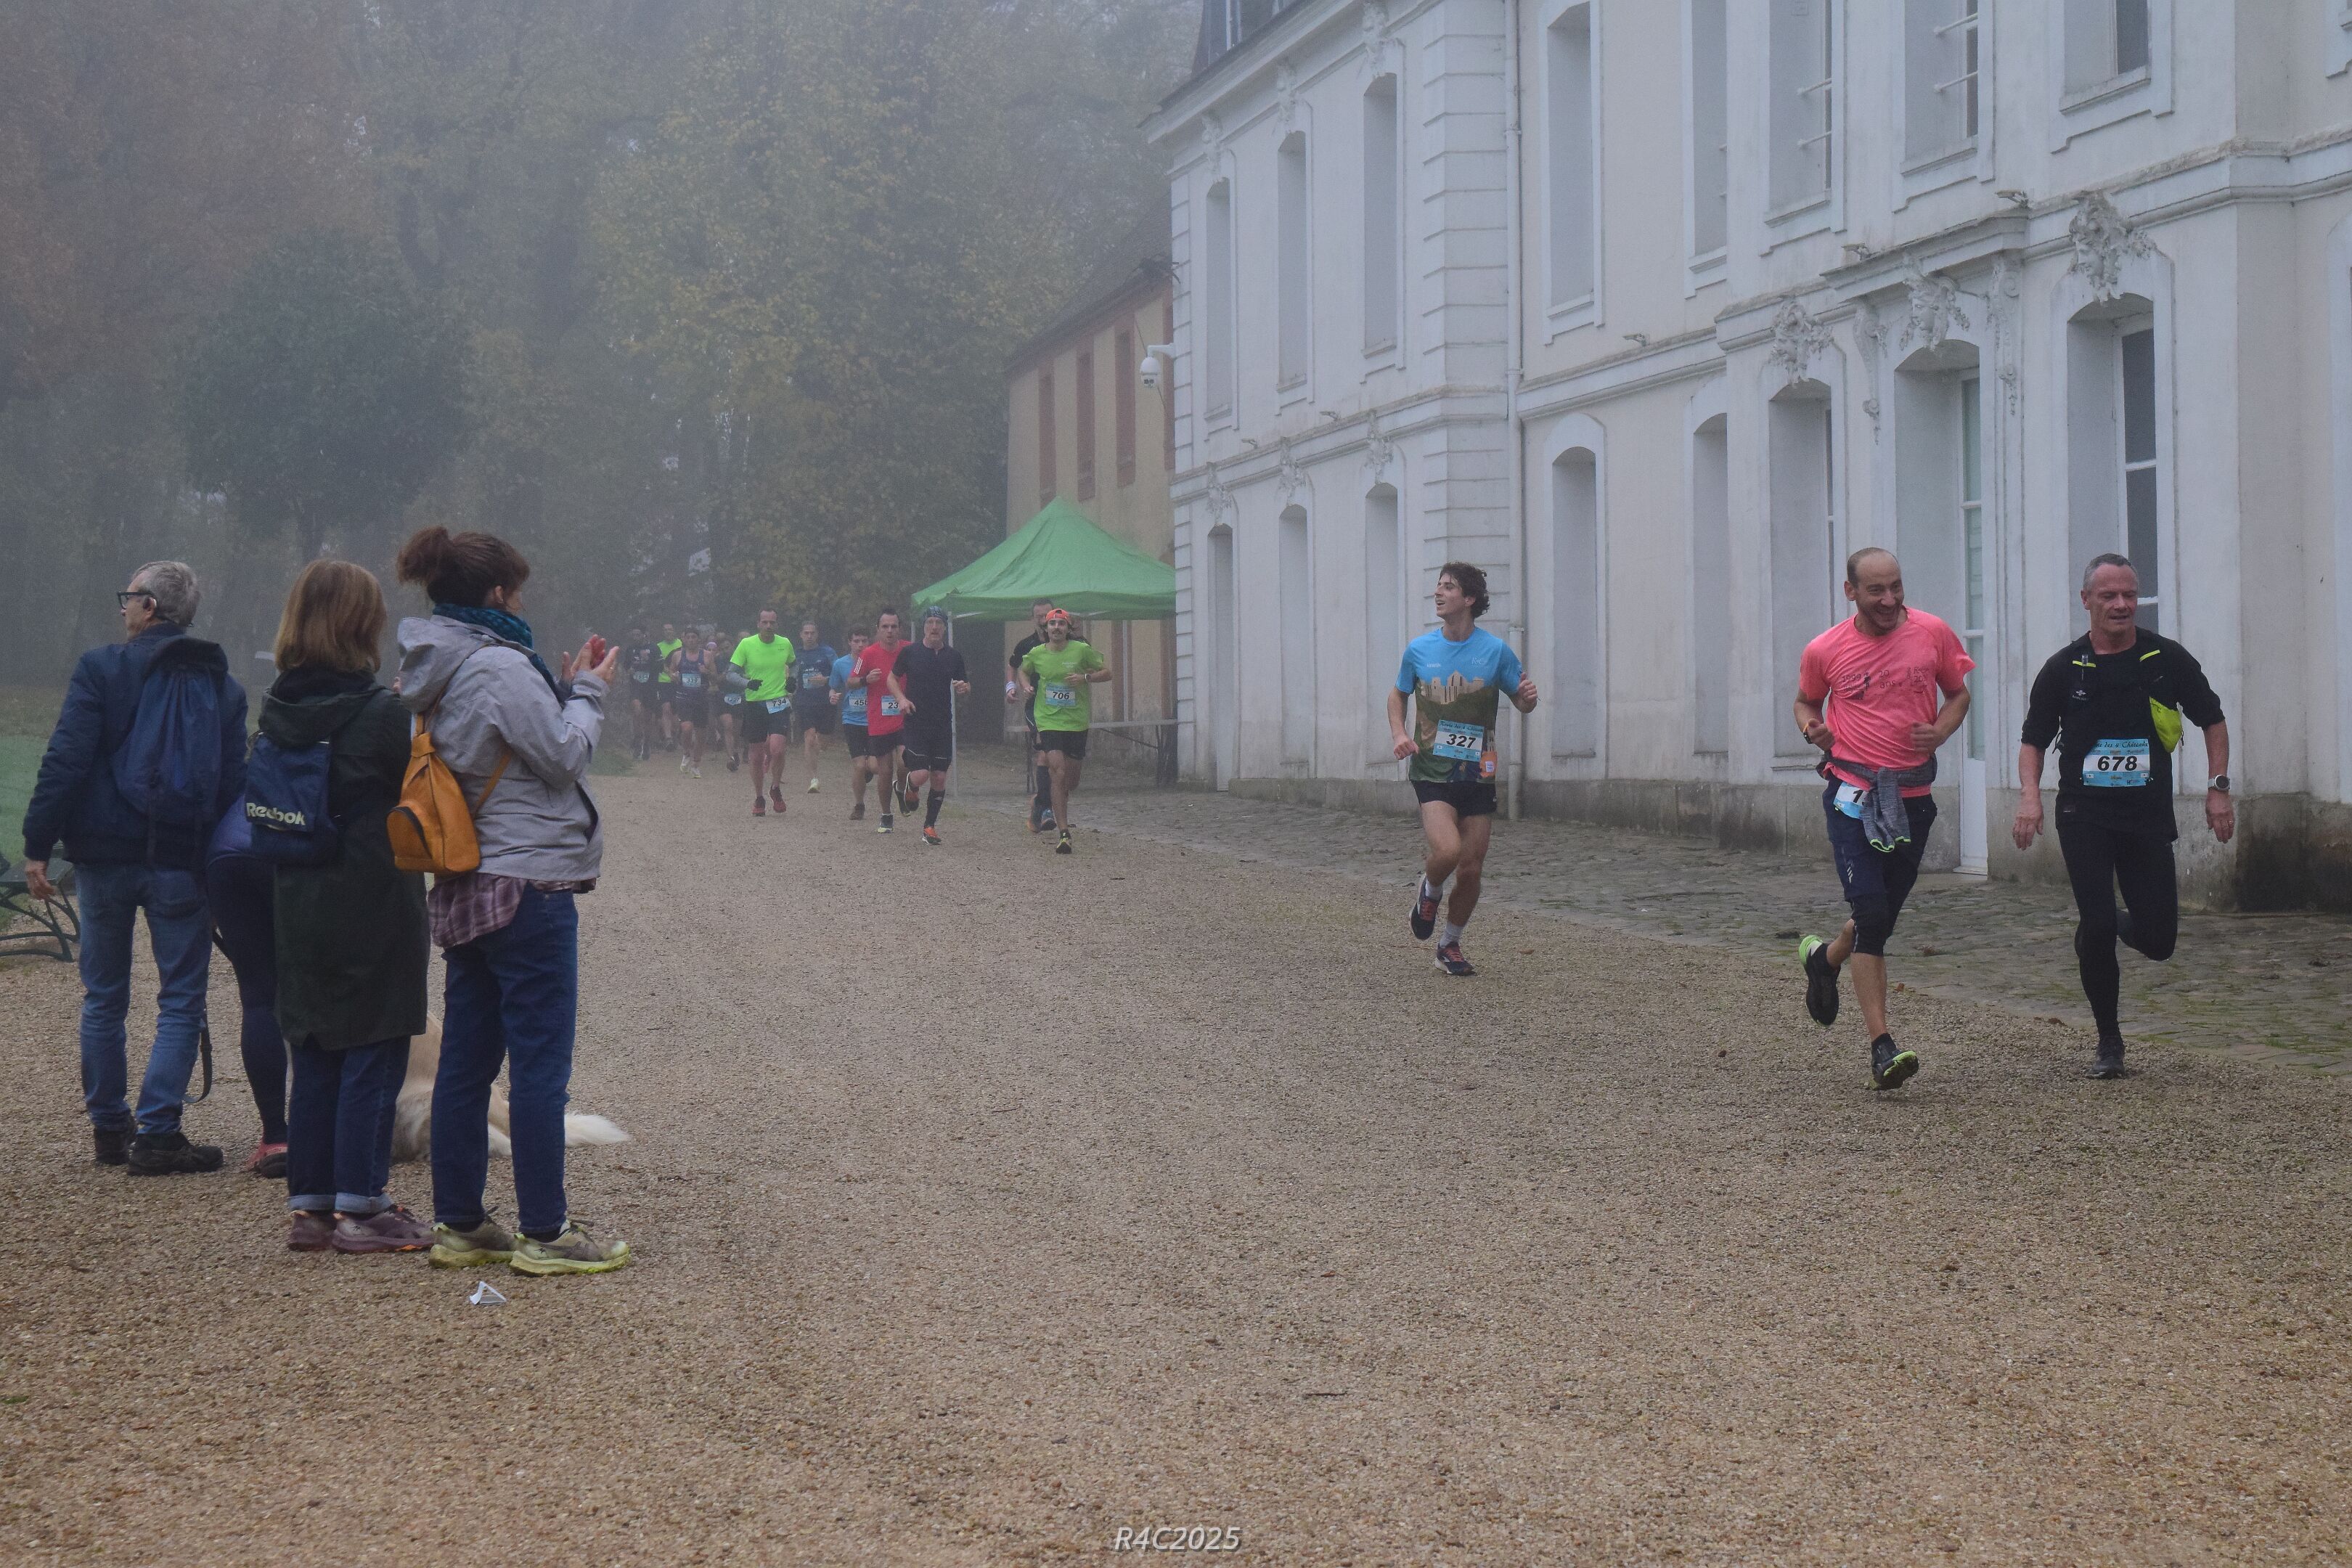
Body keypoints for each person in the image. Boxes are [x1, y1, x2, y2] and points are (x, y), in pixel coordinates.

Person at [395, 526, 631, 1275]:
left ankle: (461, 1221)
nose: (523, 602)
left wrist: (556, 693)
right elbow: (562, 758)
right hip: (526, 885)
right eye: (518, 591)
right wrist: (588, 692)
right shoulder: (498, 665)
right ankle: (545, 1231)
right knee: (538, 1066)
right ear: (497, 594)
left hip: (466, 881)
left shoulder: (432, 665)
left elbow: (501, 748)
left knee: (466, 1064)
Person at [21, 561, 246, 1174]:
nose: (122, 607)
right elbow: (232, 786)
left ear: (149, 607)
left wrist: (38, 842)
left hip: (103, 859)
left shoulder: (102, 669)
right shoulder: (223, 687)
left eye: (129, 598)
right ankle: (160, 1134)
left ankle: (108, 1129)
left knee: (104, 996)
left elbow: (67, 759)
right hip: (182, 862)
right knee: (181, 999)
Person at [258, 560, 433, 1253]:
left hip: (298, 899)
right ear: (363, 625)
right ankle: (364, 1205)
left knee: (314, 1051)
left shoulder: (277, 712)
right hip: (372, 899)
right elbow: (426, 789)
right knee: (374, 1047)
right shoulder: (382, 715)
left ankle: (312, 1208)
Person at [2015, 554, 2231, 1079]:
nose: (2121, 605)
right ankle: (2109, 1041)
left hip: (2145, 813)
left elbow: (2213, 720)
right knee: (2095, 923)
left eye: (2129, 595)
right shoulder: (2064, 668)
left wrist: (2218, 789)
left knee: (2159, 941)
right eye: (2109, 595)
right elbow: (2033, 740)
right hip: (2083, 812)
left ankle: (2104, 923)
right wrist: (2030, 797)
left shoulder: (2164, 658)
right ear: (2086, 600)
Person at [1792, 548, 1973, 1091]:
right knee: (1872, 913)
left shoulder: (1932, 633)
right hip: (1852, 795)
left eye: (1896, 587)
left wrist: (1940, 731)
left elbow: (1958, 694)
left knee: (1880, 917)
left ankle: (1825, 960)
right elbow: (1805, 703)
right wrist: (1812, 729)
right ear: (1850, 592)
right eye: (1876, 590)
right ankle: (1881, 1047)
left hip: (1913, 798)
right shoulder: (1825, 649)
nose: (1890, 599)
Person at [1387, 562, 1539, 976]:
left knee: (1471, 868)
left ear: (1469, 599)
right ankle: (1431, 889)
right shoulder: (1419, 650)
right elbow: (1398, 695)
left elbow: (1522, 701)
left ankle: (1450, 944)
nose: (1438, 592)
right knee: (1449, 851)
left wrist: (1527, 698)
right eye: (1438, 585)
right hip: (1431, 770)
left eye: (1448, 587)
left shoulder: (1495, 651)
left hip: (1478, 772)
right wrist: (1399, 734)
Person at [205, 805, 289, 1178]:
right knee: (325, 990)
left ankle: (276, 1138)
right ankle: (327, 1127)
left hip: (228, 852)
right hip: (292, 852)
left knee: (258, 998)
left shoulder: (258, 770)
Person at [1017, 608, 1108, 856]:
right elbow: (1023, 670)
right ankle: (1064, 833)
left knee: (1071, 781)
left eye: (1061, 624)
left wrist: (1085, 678)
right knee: (1057, 771)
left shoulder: (1081, 650)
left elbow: (1107, 672)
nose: (1056, 627)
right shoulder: (1037, 653)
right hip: (1048, 720)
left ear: (1068, 628)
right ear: (1046, 629)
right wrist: (1026, 686)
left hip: (1076, 722)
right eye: (1052, 624)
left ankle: (1049, 802)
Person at [891, 608, 971, 846]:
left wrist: (964, 688)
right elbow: (891, 678)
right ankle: (908, 786)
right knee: (921, 774)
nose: (934, 627)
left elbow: (964, 683)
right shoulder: (910, 652)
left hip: (942, 724)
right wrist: (901, 699)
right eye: (930, 622)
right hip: (916, 721)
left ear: (944, 627)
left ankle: (929, 827)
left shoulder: (953, 656)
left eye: (938, 623)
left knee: (939, 777)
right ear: (924, 626)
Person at [729, 610, 796, 817]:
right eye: (764, 622)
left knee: (778, 750)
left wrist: (792, 679)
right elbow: (730, 673)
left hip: (778, 702)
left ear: (777, 624)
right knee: (757, 756)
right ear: (758, 624)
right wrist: (747, 683)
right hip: (755, 704)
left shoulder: (785, 643)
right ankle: (759, 797)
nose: (768, 626)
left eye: (772, 623)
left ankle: (775, 787)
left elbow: (794, 664)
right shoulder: (746, 644)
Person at [853, 610, 912, 833]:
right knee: (885, 771)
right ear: (877, 629)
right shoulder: (867, 654)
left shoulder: (909, 650)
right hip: (879, 720)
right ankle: (886, 814)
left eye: (893, 627)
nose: (889, 631)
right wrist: (865, 680)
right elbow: (850, 681)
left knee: (906, 761)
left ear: (900, 629)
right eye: (885, 627)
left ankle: (902, 788)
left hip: (906, 717)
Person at [1007, 597, 1058, 833]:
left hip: (1062, 709)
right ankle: (1046, 809)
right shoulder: (1026, 644)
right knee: (1044, 753)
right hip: (1036, 706)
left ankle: (1038, 803)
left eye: (1046, 615)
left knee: (1061, 763)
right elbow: (1014, 665)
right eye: (1038, 616)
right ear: (1032, 618)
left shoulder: (1065, 643)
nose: (1043, 620)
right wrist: (1012, 686)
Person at [791, 618, 838, 793]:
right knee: (809, 737)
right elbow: (789, 675)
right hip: (805, 702)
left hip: (826, 701)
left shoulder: (827, 652)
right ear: (801, 635)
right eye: (806, 633)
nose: (809, 636)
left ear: (817, 635)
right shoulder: (795, 654)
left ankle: (820, 746)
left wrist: (826, 680)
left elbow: (840, 672)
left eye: (812, 633)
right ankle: (814, 779)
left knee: (823, 742)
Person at [831, 629, 873, 818]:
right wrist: (833, 696)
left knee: (874, 766)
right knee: (859, 765)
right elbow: (833, 687)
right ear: (849, 642)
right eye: (857, 641)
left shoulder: (875, 660)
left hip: (874, 720)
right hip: (852, 719)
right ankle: (859, 805)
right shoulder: (840, 664)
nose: (861, 645)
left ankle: (868, 771)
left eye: (864, 640)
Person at [669, 629, 710, 778]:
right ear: (684, 640)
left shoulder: (707, 655)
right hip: (684, 697)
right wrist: (673, 676)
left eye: (694, 637)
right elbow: (671, 671)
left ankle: (696, 764)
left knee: (701, 734)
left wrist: (706, 673)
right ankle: (686, 753)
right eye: (688, 637)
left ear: (699, 639)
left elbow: (715, 677)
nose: (691, 640)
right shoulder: (678, 655)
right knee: (686, 728)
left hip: (701, 698)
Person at [620, 624, 661, 761]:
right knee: (637, 711)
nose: (635, 637)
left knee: (648, 718)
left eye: (638, 635)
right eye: (633, 635)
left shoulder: (654, 648)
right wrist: (629, 671)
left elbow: (661, 667)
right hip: (636, 686)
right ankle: (638, 741)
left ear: (644, 635)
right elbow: (626, 665)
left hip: (650, 687)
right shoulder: (630, 649)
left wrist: (648, 660)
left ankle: (647, 743)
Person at [715, 631, 746, 772]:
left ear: (733, 646)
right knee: (728, 725)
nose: (725, 651)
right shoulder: (718, 660)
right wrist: (725, 674)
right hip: (724, 696)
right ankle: (731, 758)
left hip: (739, 696)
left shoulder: (743, 659)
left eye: (727, 647)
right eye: (722, 649)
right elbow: (715, 680)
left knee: (737, 730)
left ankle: (735, 750)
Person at [653, 621, 682, 751]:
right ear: (662, 632)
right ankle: (668, 738)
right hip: (663, 682)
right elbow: (659, 664)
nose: (668, 632)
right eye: (665, 630)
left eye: (670, 629)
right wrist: (670, 673)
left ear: (674, 631)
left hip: (679, 682)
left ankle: (676, 735)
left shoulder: (681, 644)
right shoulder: (658, 647)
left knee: (677, 712)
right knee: (666, 708)